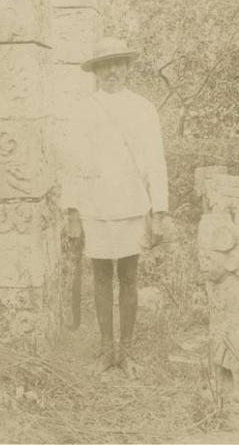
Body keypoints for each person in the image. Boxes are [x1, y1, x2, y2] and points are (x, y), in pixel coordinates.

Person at [61, 36, 169, 378]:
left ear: (127, 67)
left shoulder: (143, 109)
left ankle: (127, 352)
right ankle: (107, 352)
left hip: (131, 203)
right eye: (104, 65)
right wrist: (72, 211)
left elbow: (156, 161)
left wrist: (160, 211)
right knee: (102, 277)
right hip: (95, 204)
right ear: (96, 71)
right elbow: (72, 162)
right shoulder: (82, 110)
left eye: (117, 64)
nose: (112, 71)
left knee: (130, 276)